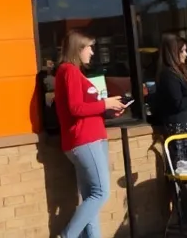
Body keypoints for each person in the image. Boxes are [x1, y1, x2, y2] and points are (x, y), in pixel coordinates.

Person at [53, 30, 129, 238]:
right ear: (78, 49)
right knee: (101, 193)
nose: (93, 52)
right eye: (90, 47)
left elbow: (86, 108)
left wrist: (108, 109)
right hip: (85, 140)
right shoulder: (68, 71)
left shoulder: (74, 72)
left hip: (91, 137)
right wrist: (104, 103)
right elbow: (75, 108)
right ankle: (67, 235)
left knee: (90, 198)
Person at [151, 32, 187, 233]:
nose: (186, 55)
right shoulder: (168, 75)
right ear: (173, 53)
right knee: (185, 176)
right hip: (180, 131)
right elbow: (176, 103)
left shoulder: (180, 71)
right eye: (183, 51)